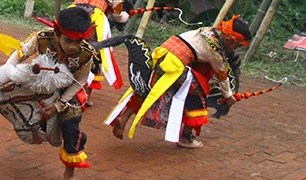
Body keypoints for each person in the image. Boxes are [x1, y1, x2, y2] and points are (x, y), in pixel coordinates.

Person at [0, 7, 95, 180]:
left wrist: (58, 105)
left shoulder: (87, 54)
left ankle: (70, 174)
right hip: (40, 79)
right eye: (68, 40)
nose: (73, 46)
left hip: (68, 90)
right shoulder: (42, 38)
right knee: (0, 91)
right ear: (57, 33)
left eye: (78, 41)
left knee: (71, 128)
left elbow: (80, 81)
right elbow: (19, 55)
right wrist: (7, 76)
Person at [106, 15, 250, 148]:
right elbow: (222, 76)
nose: (234, 50)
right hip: (175, 66)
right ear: (229, 39)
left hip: (161, 55)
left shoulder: (206, 31)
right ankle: (186, 137)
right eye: (236, 46)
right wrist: (228, 97)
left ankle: (123, 119)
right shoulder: (215, 51)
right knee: (199, 93)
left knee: (149, 89)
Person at [71, 0, 133, 94]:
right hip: (95, 18)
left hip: (74, 9)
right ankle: (86, 94)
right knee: (98, 51)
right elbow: (118, 16)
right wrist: (127, 16)